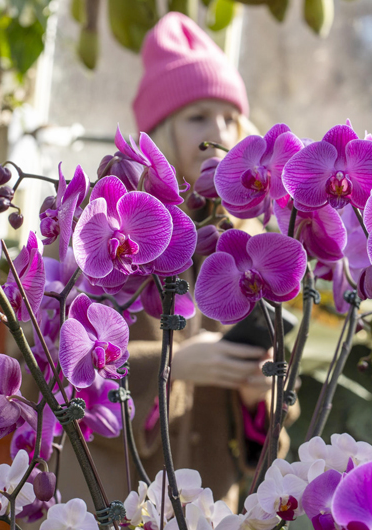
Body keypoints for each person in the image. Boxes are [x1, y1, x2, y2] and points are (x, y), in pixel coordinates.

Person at [55, 12, 296, 512]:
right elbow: (56, 374)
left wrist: (257, 398)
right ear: (159, 131)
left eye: (230, 118)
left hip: (207, 505)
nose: (218, 131)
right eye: (198, 117)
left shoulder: (249, 243)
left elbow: (266, 448)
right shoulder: (107, 239)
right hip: (115, 497)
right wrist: (172, 365)